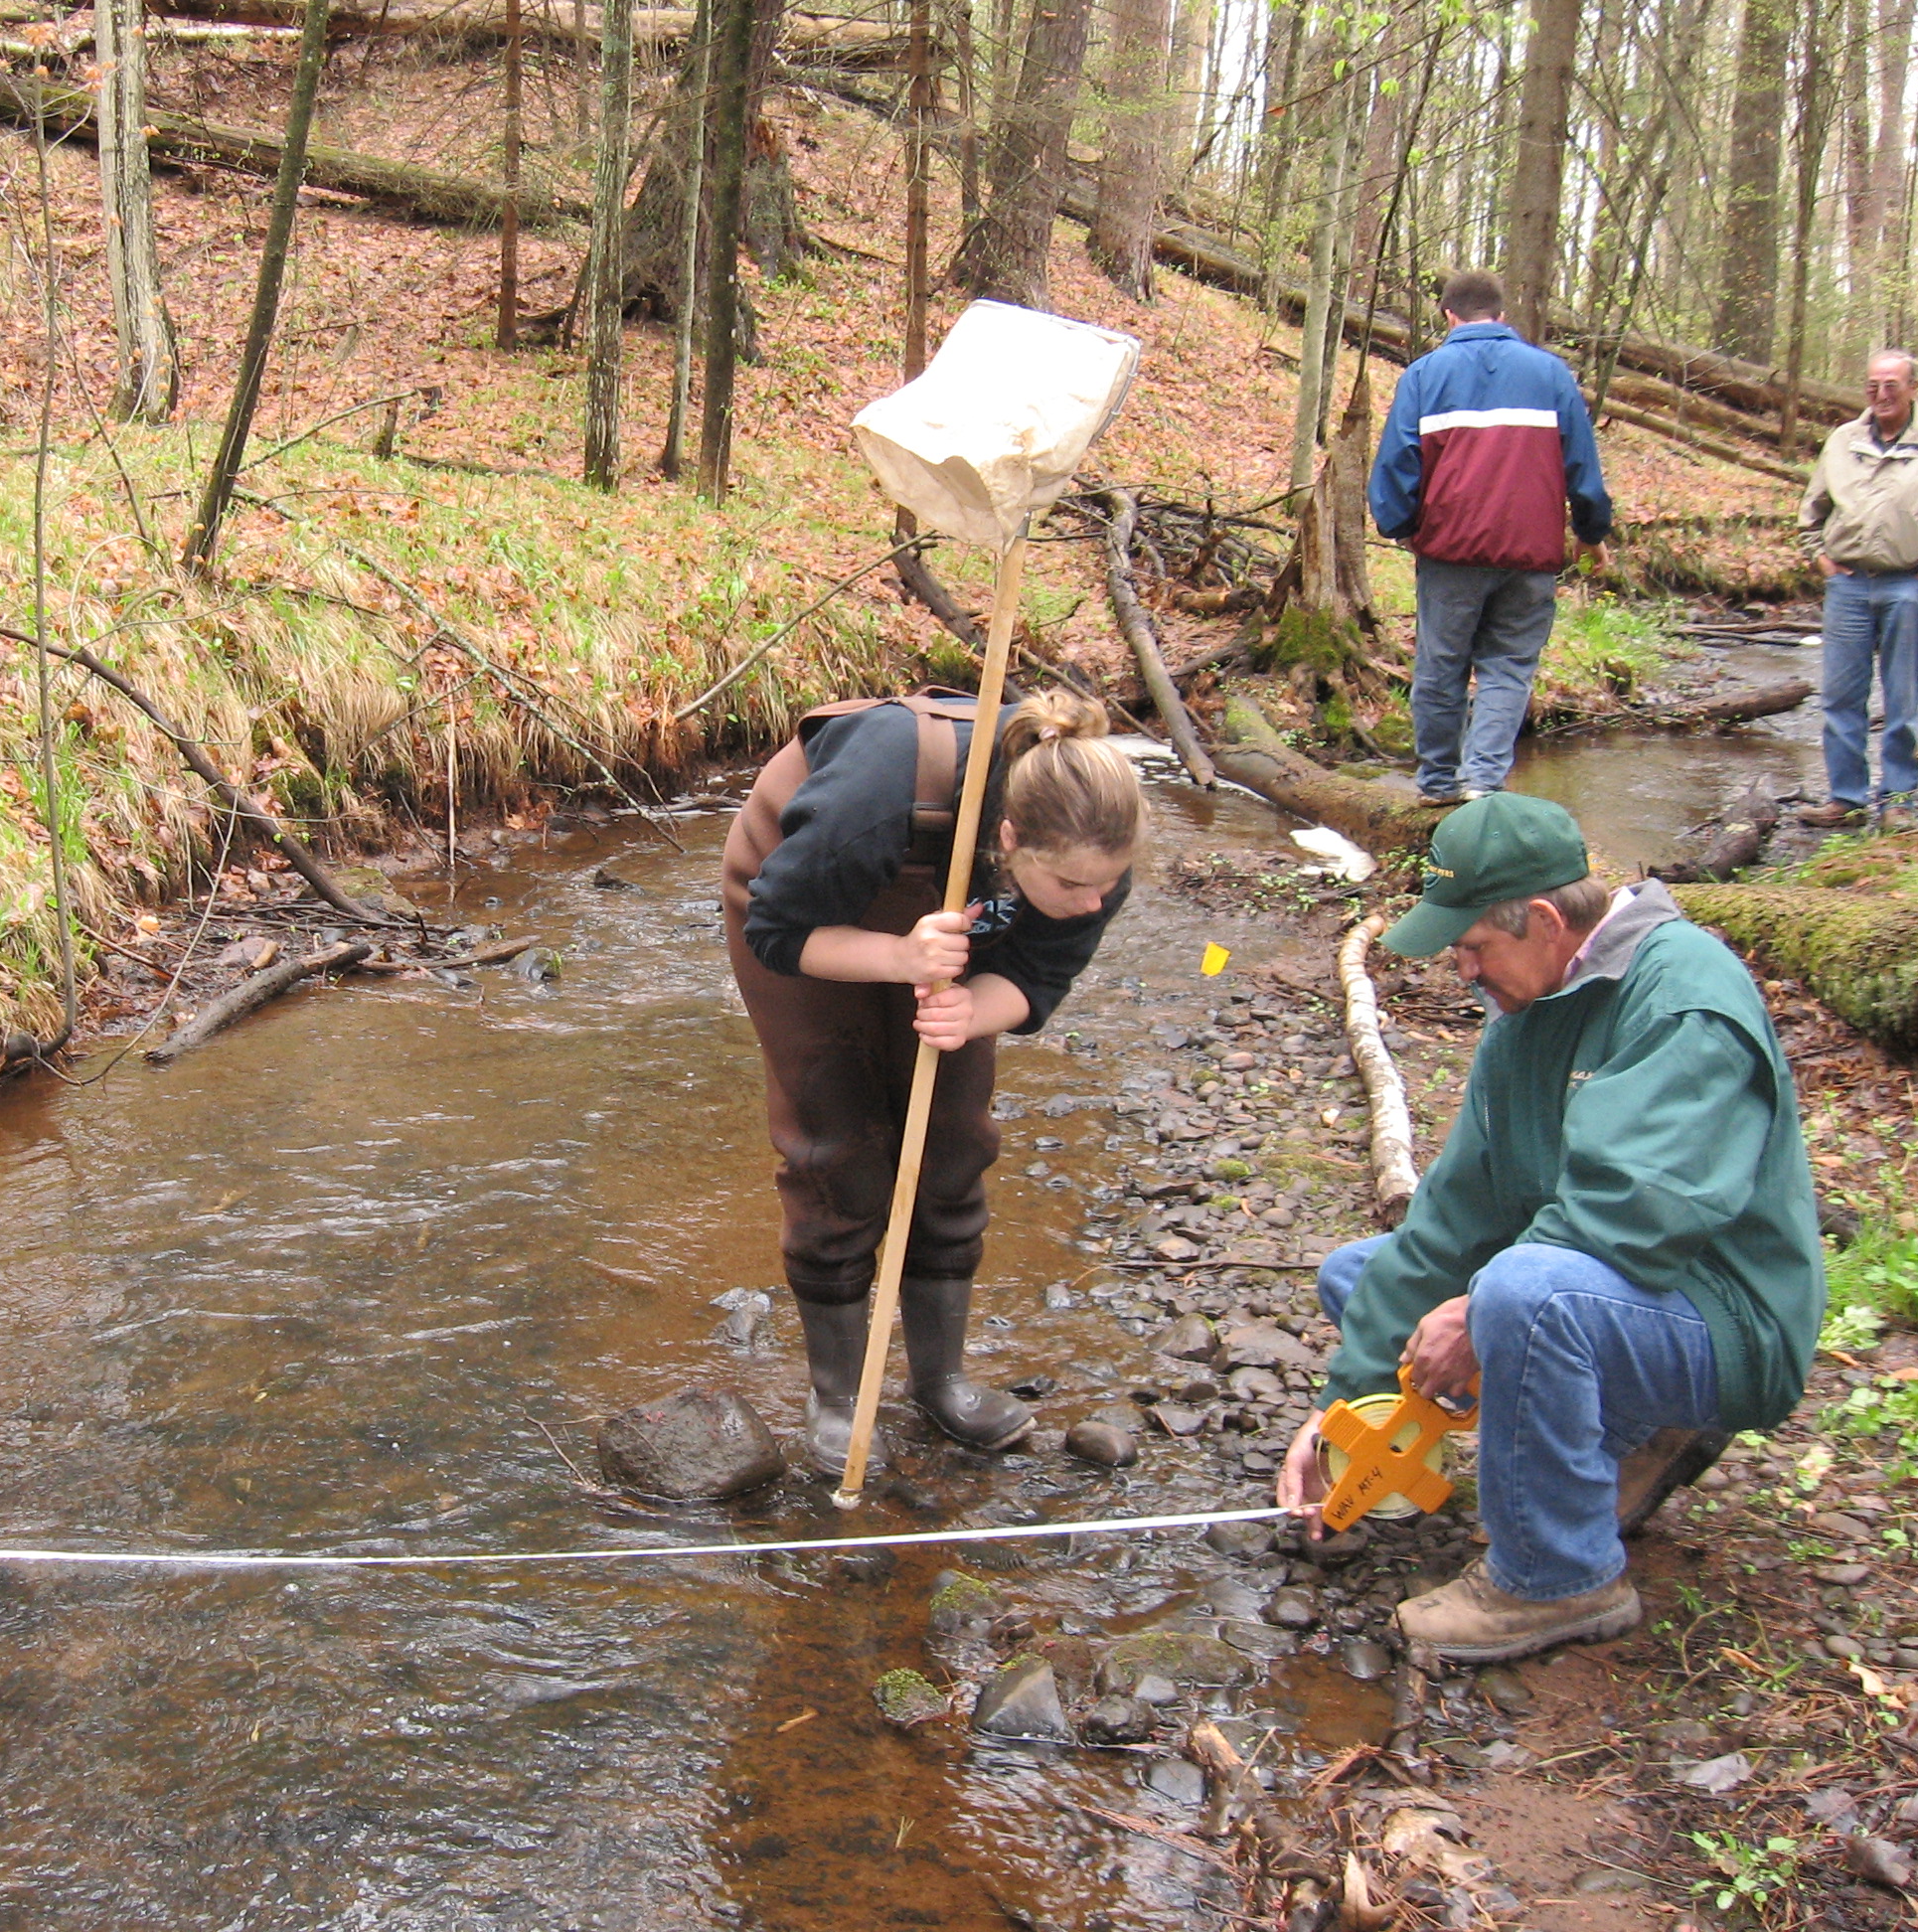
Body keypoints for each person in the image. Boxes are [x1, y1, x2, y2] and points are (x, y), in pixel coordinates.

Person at [1276, 795, 1822, 1664]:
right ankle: (1621, 1433)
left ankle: (1558, 1578)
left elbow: (1639, 1212)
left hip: (1726, 1315)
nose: (1462, 971)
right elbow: (1451, 1222)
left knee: (1520, 1297)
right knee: (1361, 1273)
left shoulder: (1684, 996)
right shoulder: (1525, 1017)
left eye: (1472, 948)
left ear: (1540, 920)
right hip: (1615, 1289)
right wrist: (1336, 1415)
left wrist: (1480, 1306)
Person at [722, 688, 1142, 1475]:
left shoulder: (1094, 850)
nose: (1094, 903)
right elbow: (780, 930)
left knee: (952, 1141)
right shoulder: (875, 798)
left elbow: (1039, 972)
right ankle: (838, 1399)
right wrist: (896, 959)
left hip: (955, 925)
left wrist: (973, 1010)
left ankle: (939, 1380)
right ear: (1011, 838)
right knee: (838, 1148)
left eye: (1103, 886)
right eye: (1073, 890)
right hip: (801, 908)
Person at [1368, 268, 1615, 807]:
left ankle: (1437, 782)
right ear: (1502, 316)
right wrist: (1592, 530)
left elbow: (1395, 466)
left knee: (1441, 665)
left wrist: (1403, 529)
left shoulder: (1424, 375)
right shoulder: (1551, 375)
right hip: (1529, 554)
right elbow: (1583, 464)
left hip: (1450, 549)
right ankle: (1482, 783)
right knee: (1507, 668)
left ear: (1448, 315)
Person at [1794, 349, 1918, 832]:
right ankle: (1846, 798)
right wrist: (1822, 560)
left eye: (1892, 385)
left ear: (1913, 388)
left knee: (1902, 699)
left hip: (1909, 585)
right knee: (1840, 696)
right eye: (1873, 386)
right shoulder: (1843, 440)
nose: (1881, 395)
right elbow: (1812, 508)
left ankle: (1898, 800)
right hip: (1849, 585)